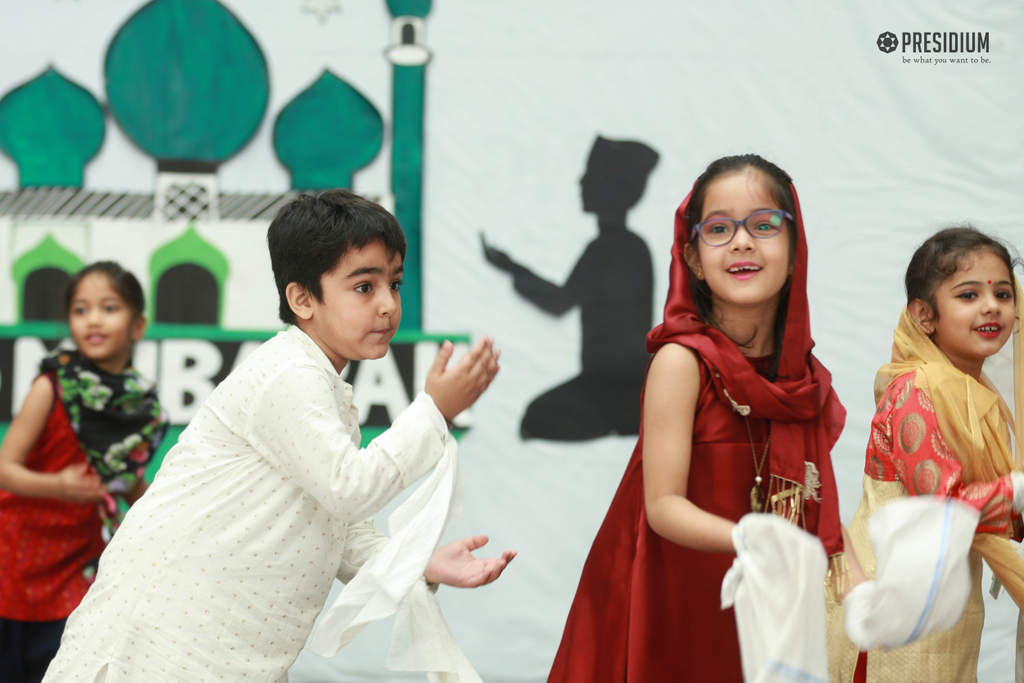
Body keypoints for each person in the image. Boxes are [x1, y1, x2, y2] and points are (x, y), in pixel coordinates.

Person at [42, 189, 512, 682]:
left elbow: (342, 534)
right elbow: (349, 489)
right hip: (161, 645)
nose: (387, 306)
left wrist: (423, 564)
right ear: (302, 299)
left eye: (393, 284)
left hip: (222, 654)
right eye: (363, 287)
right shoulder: (288, 373)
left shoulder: (319, 382)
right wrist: (435, 411)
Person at [547, 154, 847, 682]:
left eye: (764, 224)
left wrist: (861, 583)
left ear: (795, 248)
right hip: (673, 597)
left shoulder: (802, 380)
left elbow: (814, 512)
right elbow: (663, 506)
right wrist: (753, 539)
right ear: (691, 255)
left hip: (761, 602)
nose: (742, 242)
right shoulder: (681, 362)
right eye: (719, 229)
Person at [827, 227, 1024, 683]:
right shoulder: (917, 389)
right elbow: (942, 509)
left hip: (943, 605)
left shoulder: (976, 396)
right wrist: (1016, 491)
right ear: (924, 315)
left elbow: (987, 511)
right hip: (891, 608)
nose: (992, 305)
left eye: (1003, 293)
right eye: (969, 294)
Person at [0, 261, 167, 683]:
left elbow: (125, 481)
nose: (93, 319)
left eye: (108, 308)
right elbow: (5, 469)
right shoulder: (51, 386)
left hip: (78, 571)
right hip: (13, 562)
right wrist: (57, 486)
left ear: (137, 325)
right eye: (80, 309)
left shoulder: (140, 407)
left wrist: (167, 517)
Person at [482, 135, 658, 440]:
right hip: (615, 388)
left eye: (591, 175)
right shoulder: (623, 246)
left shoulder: (612, 248)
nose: (581, 182)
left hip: (617, 392)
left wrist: (511, 268)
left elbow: (559, 301)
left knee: (535, 420)